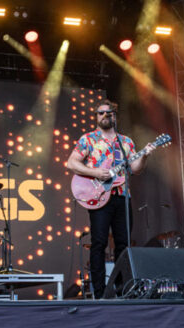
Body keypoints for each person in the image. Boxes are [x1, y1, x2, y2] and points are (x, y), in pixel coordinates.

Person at [66, 100, 152, 299]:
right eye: (100, 113)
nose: (105, 115)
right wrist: (94, 171)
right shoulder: (88, 139)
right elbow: (72, 163)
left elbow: (136, 169)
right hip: (98, 197)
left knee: (123, 244)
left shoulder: (126, 142)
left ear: (115, 116)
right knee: (99, 243)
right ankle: (99, 291)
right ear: (96, 117)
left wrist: (145, 155)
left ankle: (123, 290)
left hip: (122, 196)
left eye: (108, 113)